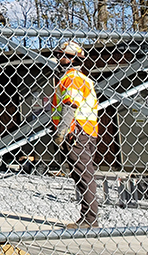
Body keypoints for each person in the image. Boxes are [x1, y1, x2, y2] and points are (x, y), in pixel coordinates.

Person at [51, 40, 99, 229]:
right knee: (83, 175)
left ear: (73, 59)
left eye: (64, 56)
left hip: (76, 132)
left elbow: (71, 105)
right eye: (59, 55)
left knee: (84, 176)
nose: (60, 59)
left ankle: (90, 219)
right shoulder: (83, 78)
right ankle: (89, 217)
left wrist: (62, 131)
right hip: (86, 132)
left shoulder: (71, 78)